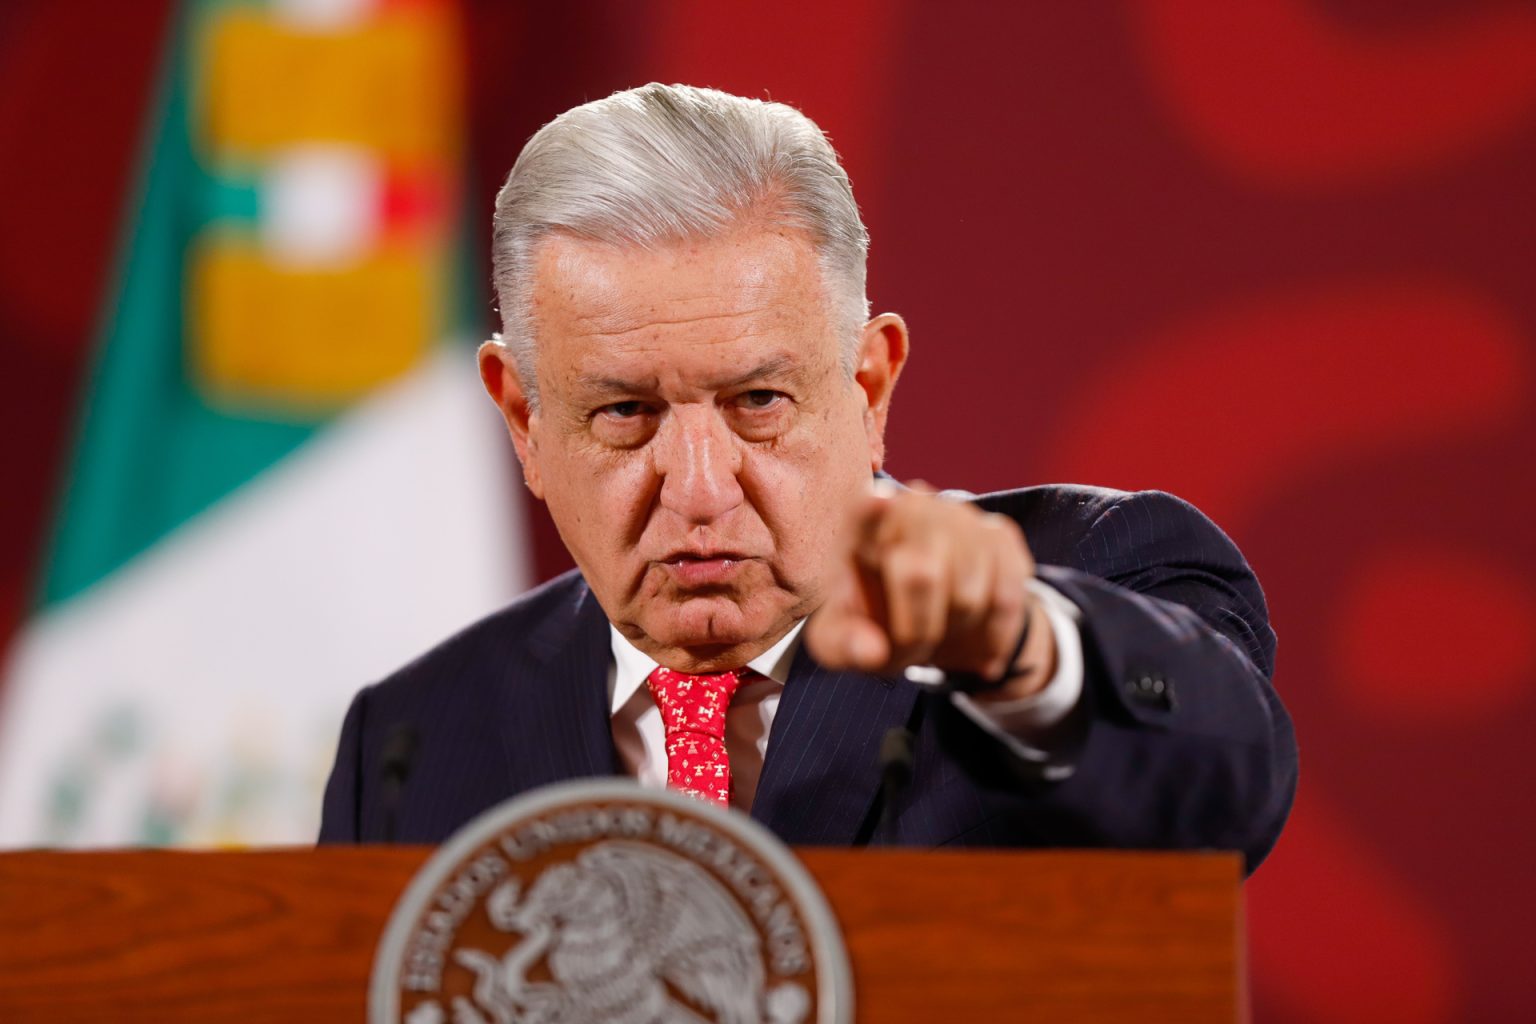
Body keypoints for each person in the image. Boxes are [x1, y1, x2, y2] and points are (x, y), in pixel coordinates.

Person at [319, 83, 1296, 871]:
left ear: (867, 385)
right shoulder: (411, 738)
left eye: (757, 402)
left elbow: (1224, 787)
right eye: (625, 414)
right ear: (524, 420)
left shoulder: (1091, 582)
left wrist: (1020, 650)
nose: (700, 488)